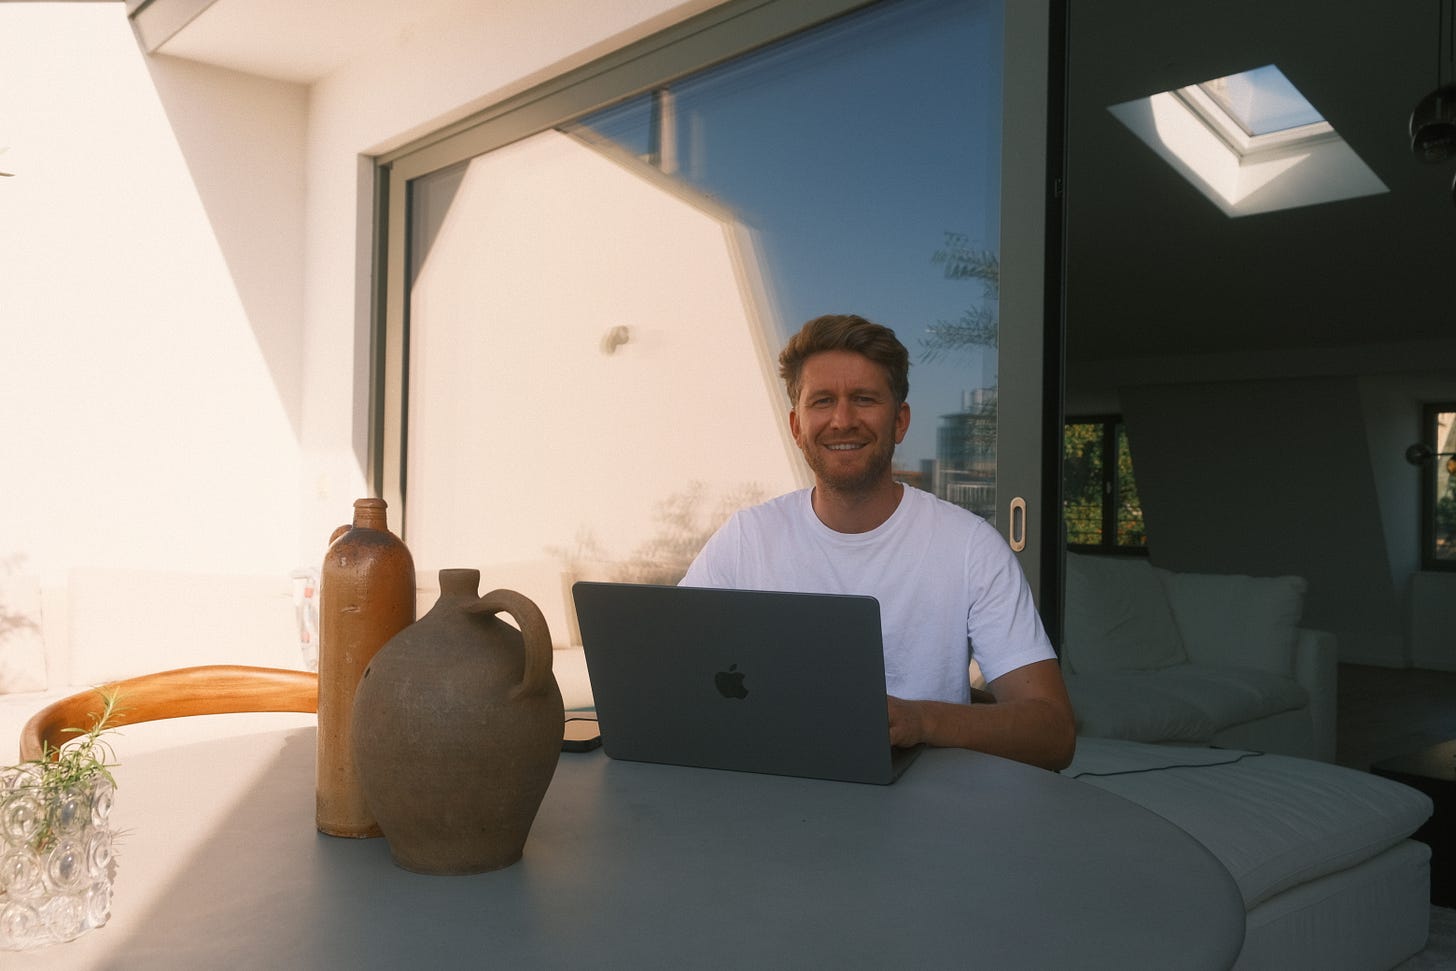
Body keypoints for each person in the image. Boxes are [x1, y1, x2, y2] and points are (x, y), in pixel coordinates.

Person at [681, 314, 1075, 771]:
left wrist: (921, 719)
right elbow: (674, 673)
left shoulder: (970, 548)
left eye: (864, 399)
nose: (842, 420)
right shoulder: (747, 537)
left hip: (923, 814)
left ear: (900, 421)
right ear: (796, 425)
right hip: (768, 796)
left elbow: (1054, 733)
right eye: (822, 401)